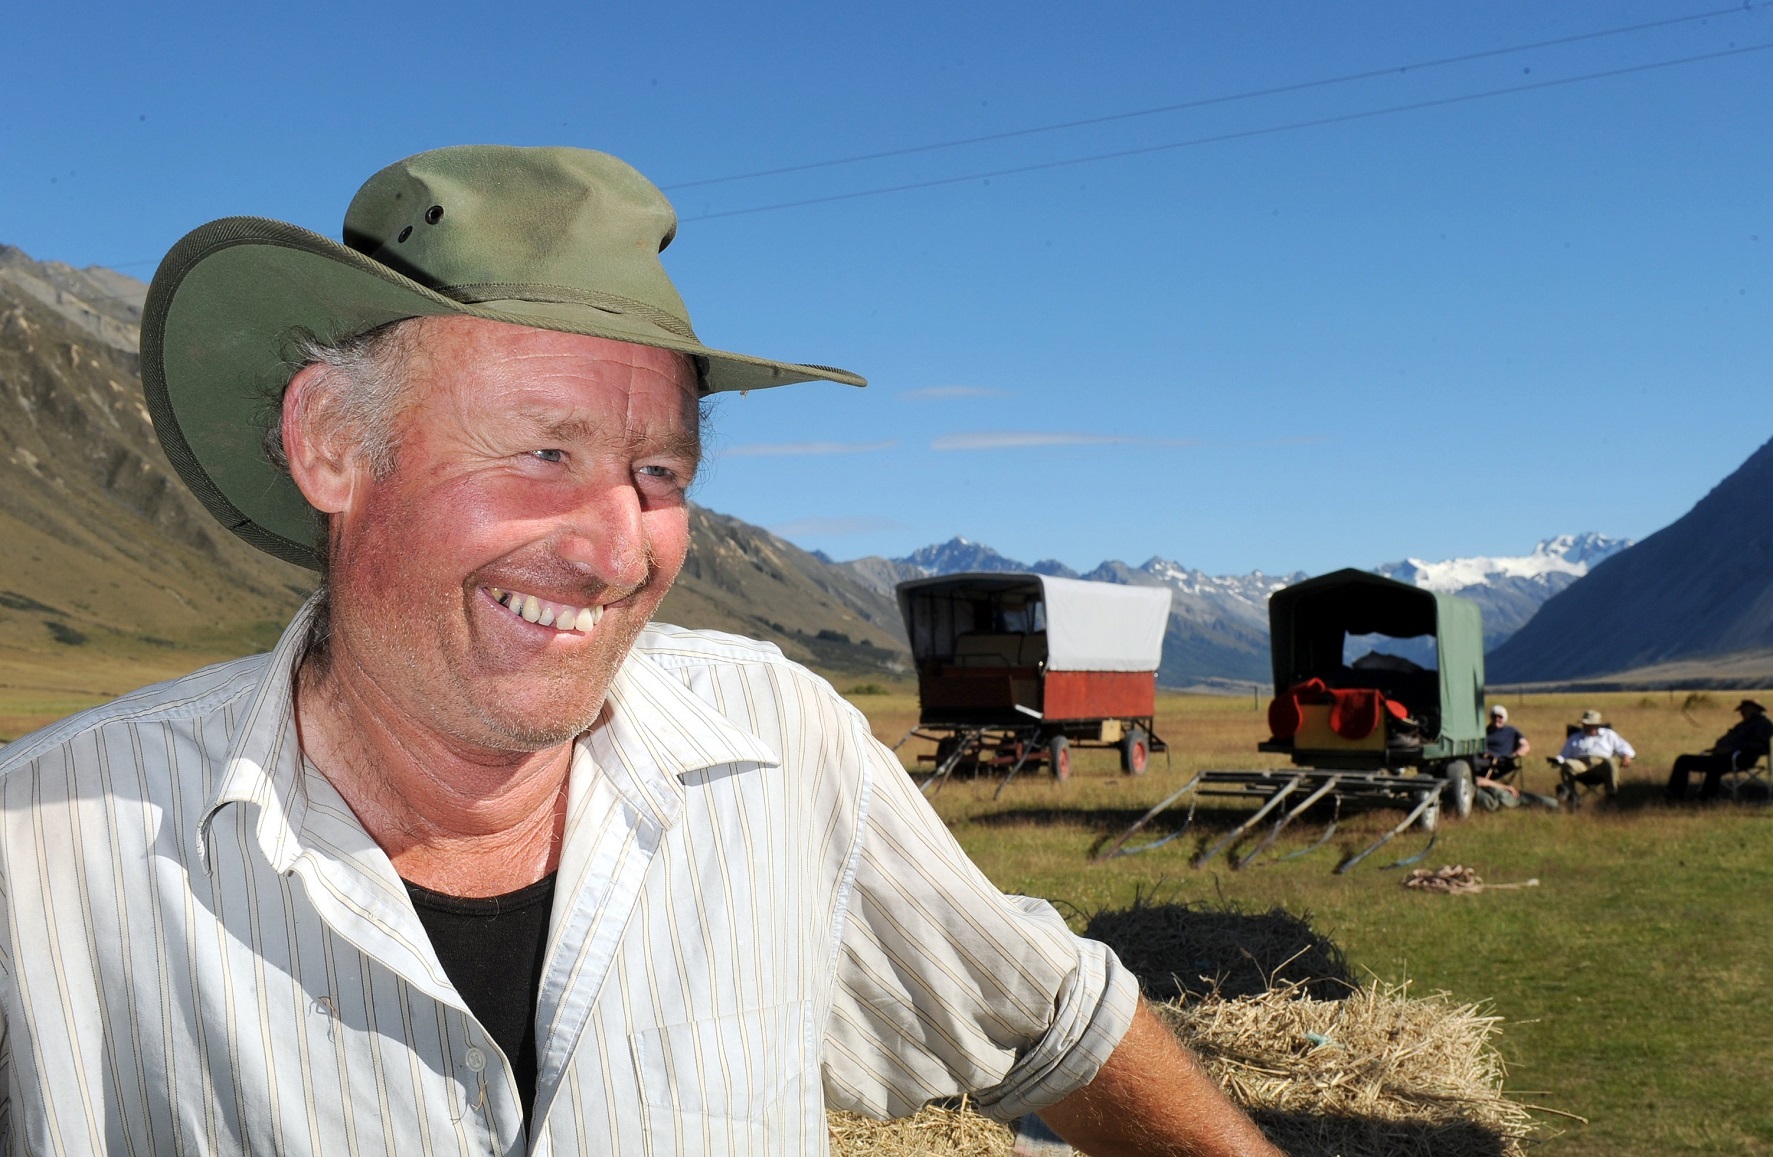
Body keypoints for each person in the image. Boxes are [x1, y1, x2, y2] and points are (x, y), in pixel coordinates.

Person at [0, 147, 1279, 1155]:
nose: (618, 553)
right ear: (332, 445)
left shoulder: (777, 746)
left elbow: (1056, 1022)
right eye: (542, 451)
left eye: (658, 469)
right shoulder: (43, 855)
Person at [1664, 698, 1773, 802]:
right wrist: (1720, 747)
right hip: (1723, 756)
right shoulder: (1741, 725)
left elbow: (1756, 744)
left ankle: (1706, 797)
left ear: (1754, 709)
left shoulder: (1763, 724)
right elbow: (1724, 739)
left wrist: (1732, 749)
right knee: (1683, 760)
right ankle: (1674, 794)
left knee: (1715, 766)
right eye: (1741, 710)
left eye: (1744, 710)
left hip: (1742, 758)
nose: (1742, 713)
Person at [1550, 708, 1635, 805]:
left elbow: (1624, 747)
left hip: (1601, 765)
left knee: (1611, 762)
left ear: (1597, 725)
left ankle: (1611, 795)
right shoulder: (1575, 737)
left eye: (1589, 725)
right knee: (1567, 764)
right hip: (1580, 765)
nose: (1586, 727)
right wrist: (1557, 761)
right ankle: (1572, 796)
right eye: (1585, 724)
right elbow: (1563, 755)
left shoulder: (1609, 735)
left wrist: (1626, 756)